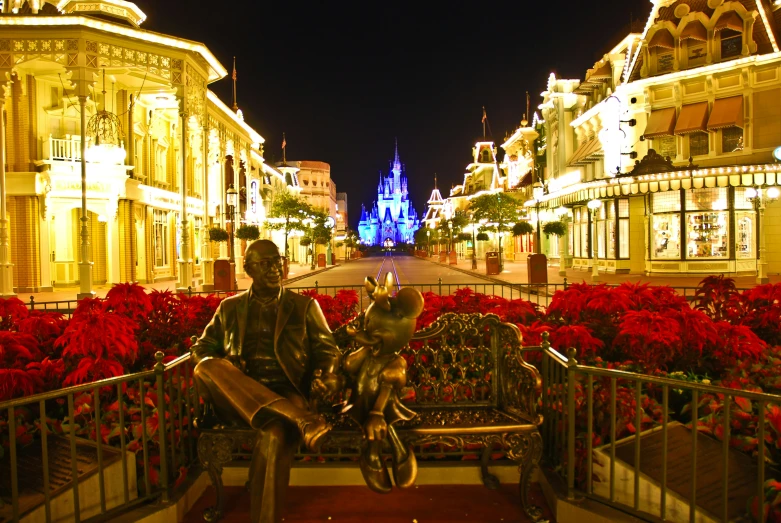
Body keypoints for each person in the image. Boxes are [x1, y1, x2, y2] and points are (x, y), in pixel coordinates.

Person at [192, 239, 343, 523]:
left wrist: (327, 373)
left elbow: (327, 350)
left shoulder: (304, 306)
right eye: (265, 264)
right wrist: (228, 365)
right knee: (208, 366)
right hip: (237, 399)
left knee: (274, 435)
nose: (275, 269)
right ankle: (302, 419)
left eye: (278, 261)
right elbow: (201, 349)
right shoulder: (229, 309)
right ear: (249, 269)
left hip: (288, 391)